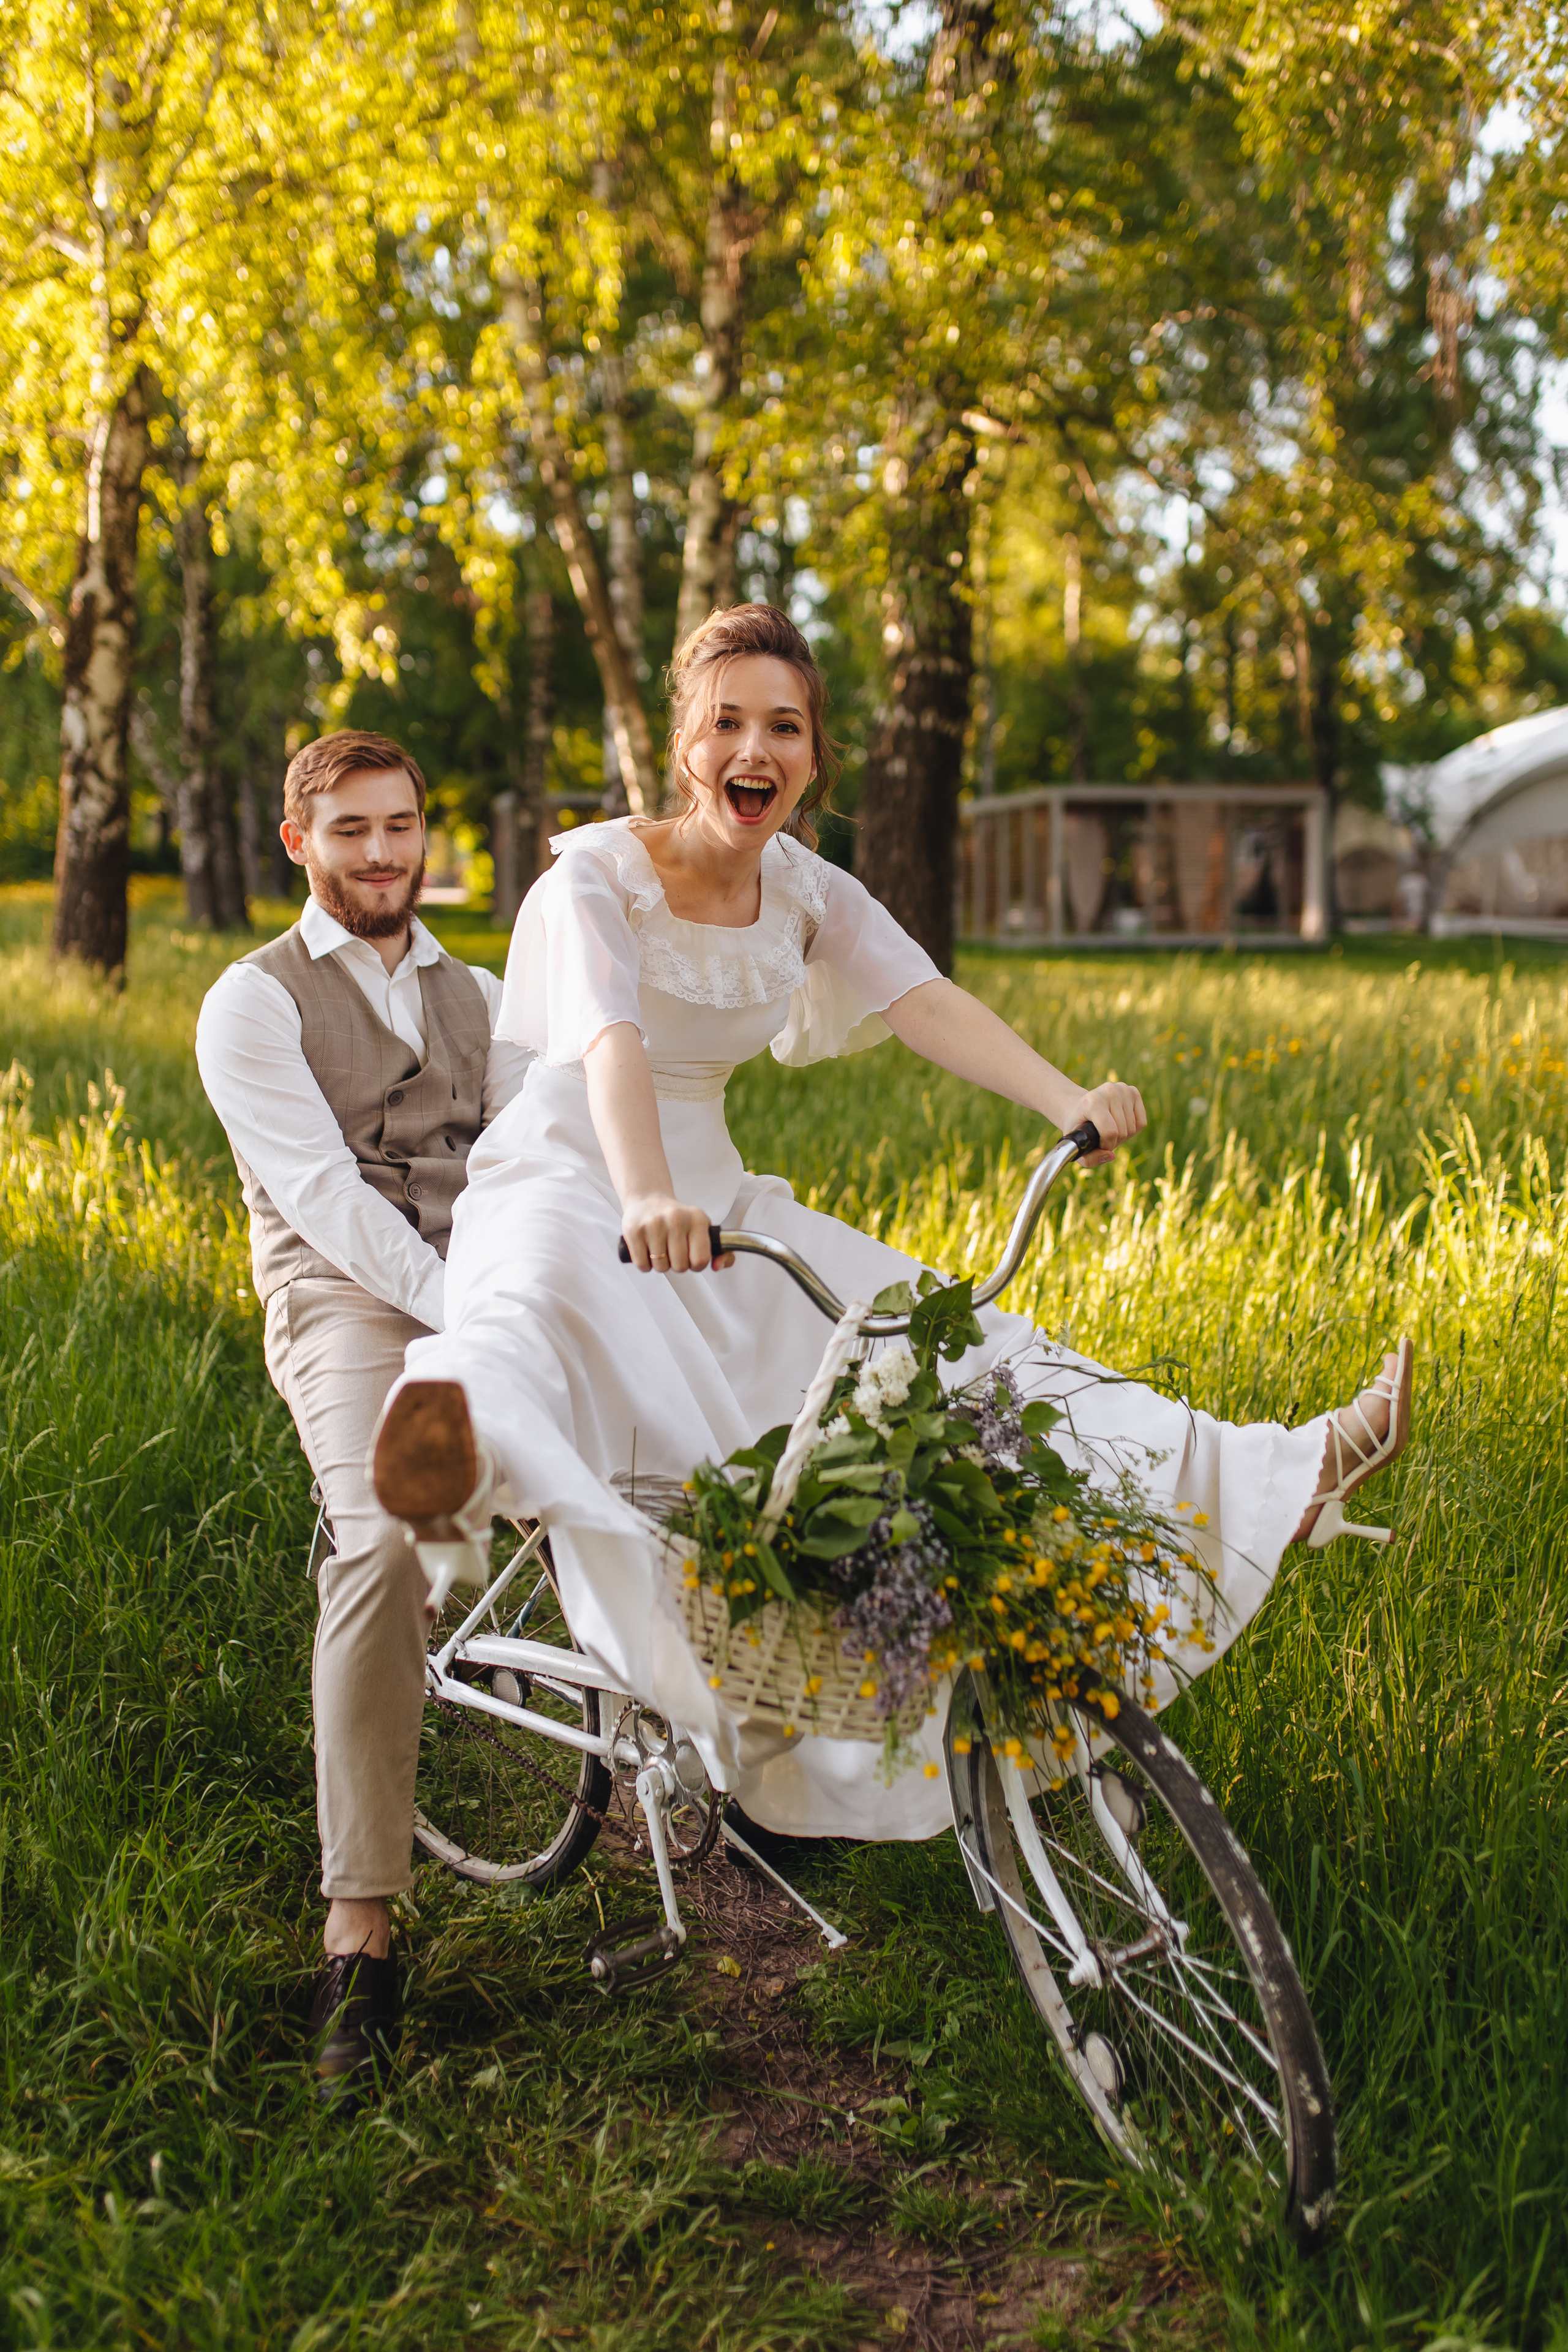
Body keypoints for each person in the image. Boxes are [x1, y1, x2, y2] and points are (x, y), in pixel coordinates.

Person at [372, 605, 1413, 1843]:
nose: (752, 750)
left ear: (813, 759)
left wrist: (1066, 1098)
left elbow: (923, 1001)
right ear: (680, 739)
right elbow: (611, 1037)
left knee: (935, 1346)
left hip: (707, 1194)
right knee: (536, 1308)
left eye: (785, 727)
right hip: (569, 1166)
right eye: (725, 723)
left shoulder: (804, 888)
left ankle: (1273, 1477)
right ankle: (448, 1458)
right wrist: (641, 1191)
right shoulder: (597, 871)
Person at [195, 728, 530, 2099]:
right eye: (350, 830)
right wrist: (461, 1309)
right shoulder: (251, 1003)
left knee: (678, 1435)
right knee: (390, 1537)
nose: (381, 853)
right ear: (299, 844)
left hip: (490, 1278)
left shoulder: (488, 992)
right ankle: (362, 1932)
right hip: (348, 1301)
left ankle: (750, 1772)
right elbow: (327, 1205)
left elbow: (532, 1157)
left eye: (399, 827)